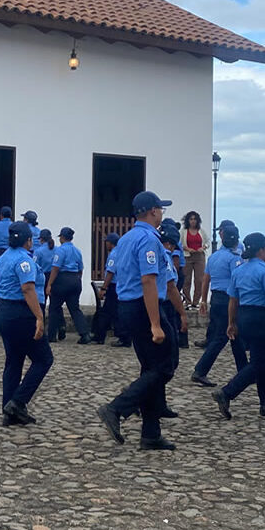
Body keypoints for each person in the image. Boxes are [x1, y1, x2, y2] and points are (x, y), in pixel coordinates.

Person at [97, 191, 179, 450]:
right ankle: (117, 407)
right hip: (145, 307)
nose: (162, 213)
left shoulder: (126, 239)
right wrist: (155, 323)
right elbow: (149, 280)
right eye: (160, 209)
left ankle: (151, 433)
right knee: (166, 365)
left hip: (127, 306)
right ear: (153, 211)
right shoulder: (148, 239)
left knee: (150, 367)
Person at [210, 232, 265, 420]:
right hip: (261, 317)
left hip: (244, 316)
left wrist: (231, 322)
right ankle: (228, 392)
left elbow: (233, 300)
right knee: (259, 362)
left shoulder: (239, 271)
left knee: (264, 360)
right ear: (261, 250)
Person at [0, 222, 54, 426]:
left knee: (14, 360)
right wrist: (39, 317)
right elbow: (27, 289)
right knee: (44, 359)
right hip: (22, 313)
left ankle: (9, 412)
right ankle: (18, 402)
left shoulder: (2, 259)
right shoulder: (23, 261)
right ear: (28, 240)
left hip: (4, 310)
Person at [191, 223, 246, 386]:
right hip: (229, 299)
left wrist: (202, 300)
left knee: (235, 336)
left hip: (215, 298)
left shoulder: (214, 256)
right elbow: (238, 281)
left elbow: (205, 279)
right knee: (222, 336)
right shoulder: (235, 258)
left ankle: (244, 371)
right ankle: (200, 370)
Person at [46, 227, 91, 344]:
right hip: (75, 279)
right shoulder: (77, 251)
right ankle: (85, 334)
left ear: (62, 237)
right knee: (75, 309)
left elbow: (55, 268)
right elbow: (81, 268)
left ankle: (51, 335)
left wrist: (49, 284)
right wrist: (77, 280)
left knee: (54, 307)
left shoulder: (60, 251)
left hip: (62, 280)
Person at [92, 233, 126, 346]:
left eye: (106, 242)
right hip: (120, 285)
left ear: (110, 243)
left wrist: (103, 288)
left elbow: (110, 273)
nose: (105, 244)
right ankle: (120, 336)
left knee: (107, 313)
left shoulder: (113, 254)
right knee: (115, 312)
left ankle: (100, 336)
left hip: (113, 286)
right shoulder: (122, 253)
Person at [160, 226, 190, 349]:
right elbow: (170, 286)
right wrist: (182, 313)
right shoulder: (165, 256)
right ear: (168, 244)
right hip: (165, 301)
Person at [33, 229, 63, 341]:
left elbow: (34, 265)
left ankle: (42, 329)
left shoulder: (38, 251)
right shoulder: (58, 250)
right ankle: (60, 327)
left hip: (44, 277)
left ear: (41, 239)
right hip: (56, 277)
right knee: (56, 304)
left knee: (42, 303)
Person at [181, 212, 209, 308]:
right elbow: (179, 243)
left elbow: (207, 241)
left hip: (199, 256)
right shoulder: (183, 231)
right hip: (187, 256)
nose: (193, 221)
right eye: (191, 219)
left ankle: (196, 302)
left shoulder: (201, 231)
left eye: (194, 219)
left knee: (199, 280)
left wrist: (203, 247)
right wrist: (187, 248)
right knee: (186, 279)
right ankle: (187, 301)